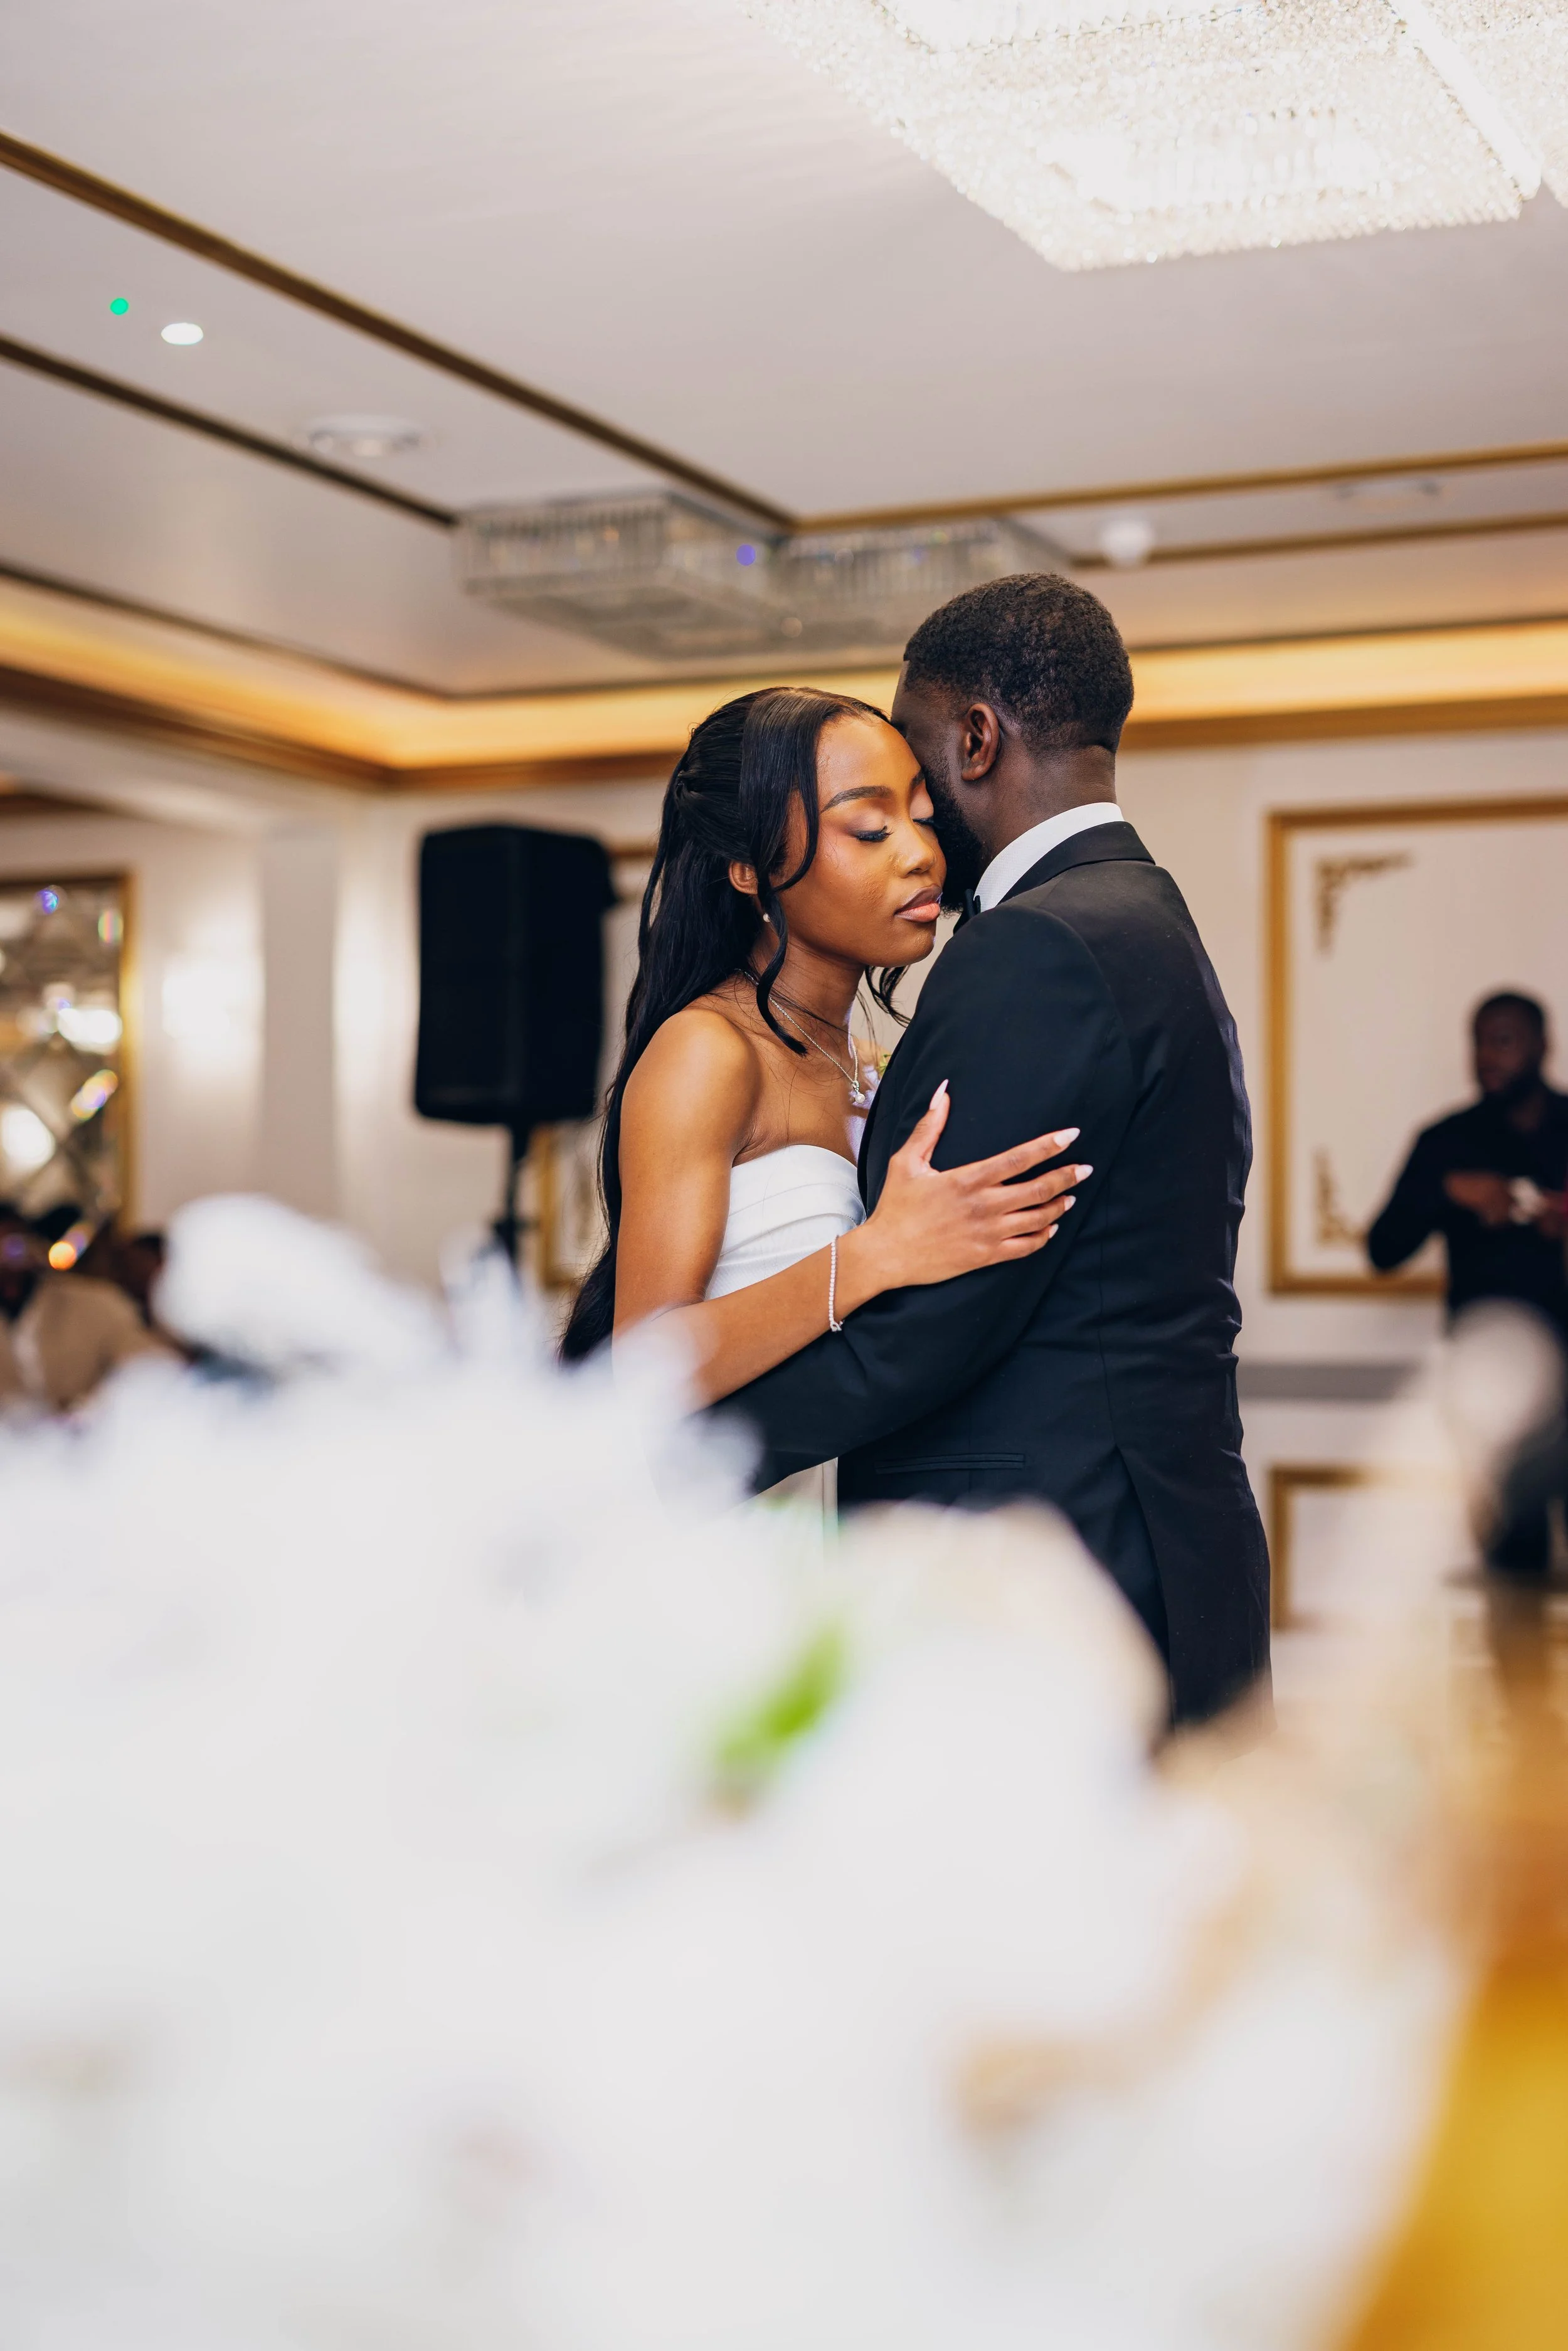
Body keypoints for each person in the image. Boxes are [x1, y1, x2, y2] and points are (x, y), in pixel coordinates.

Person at [721, 575, 1270, 1725]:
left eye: (919, 781)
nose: (917, 829)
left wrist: (672, 1449)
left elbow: (935, 1320)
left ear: (977, 737)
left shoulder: (1040, 947)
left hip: (1050, 1571)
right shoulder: (1145, 918)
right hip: (1153, 1535)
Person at [559, 686, 1088, 1484]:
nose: (921, 854)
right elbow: (645, 1365)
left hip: (863, 1506)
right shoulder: (709, 1050)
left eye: (922, 815)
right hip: (723, 1525)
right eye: (870, 828)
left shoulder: (877, 1066)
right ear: (749, 868)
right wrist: (875, 1255)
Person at [1367, 992, 1568, 1339]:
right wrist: (1446, 1190)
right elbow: (1382, 1252)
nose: (1486, 1057)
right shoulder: (1444, 1141)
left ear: (1543, 1045)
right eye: (1478, 1043)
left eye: (1503, 1041)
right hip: (1477, 1362)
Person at [0, 1202, 171, 1411]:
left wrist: (91, 1411)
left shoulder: (99, 1304)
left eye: (13, 1247)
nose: (6, 1258)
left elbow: (149, 1368)